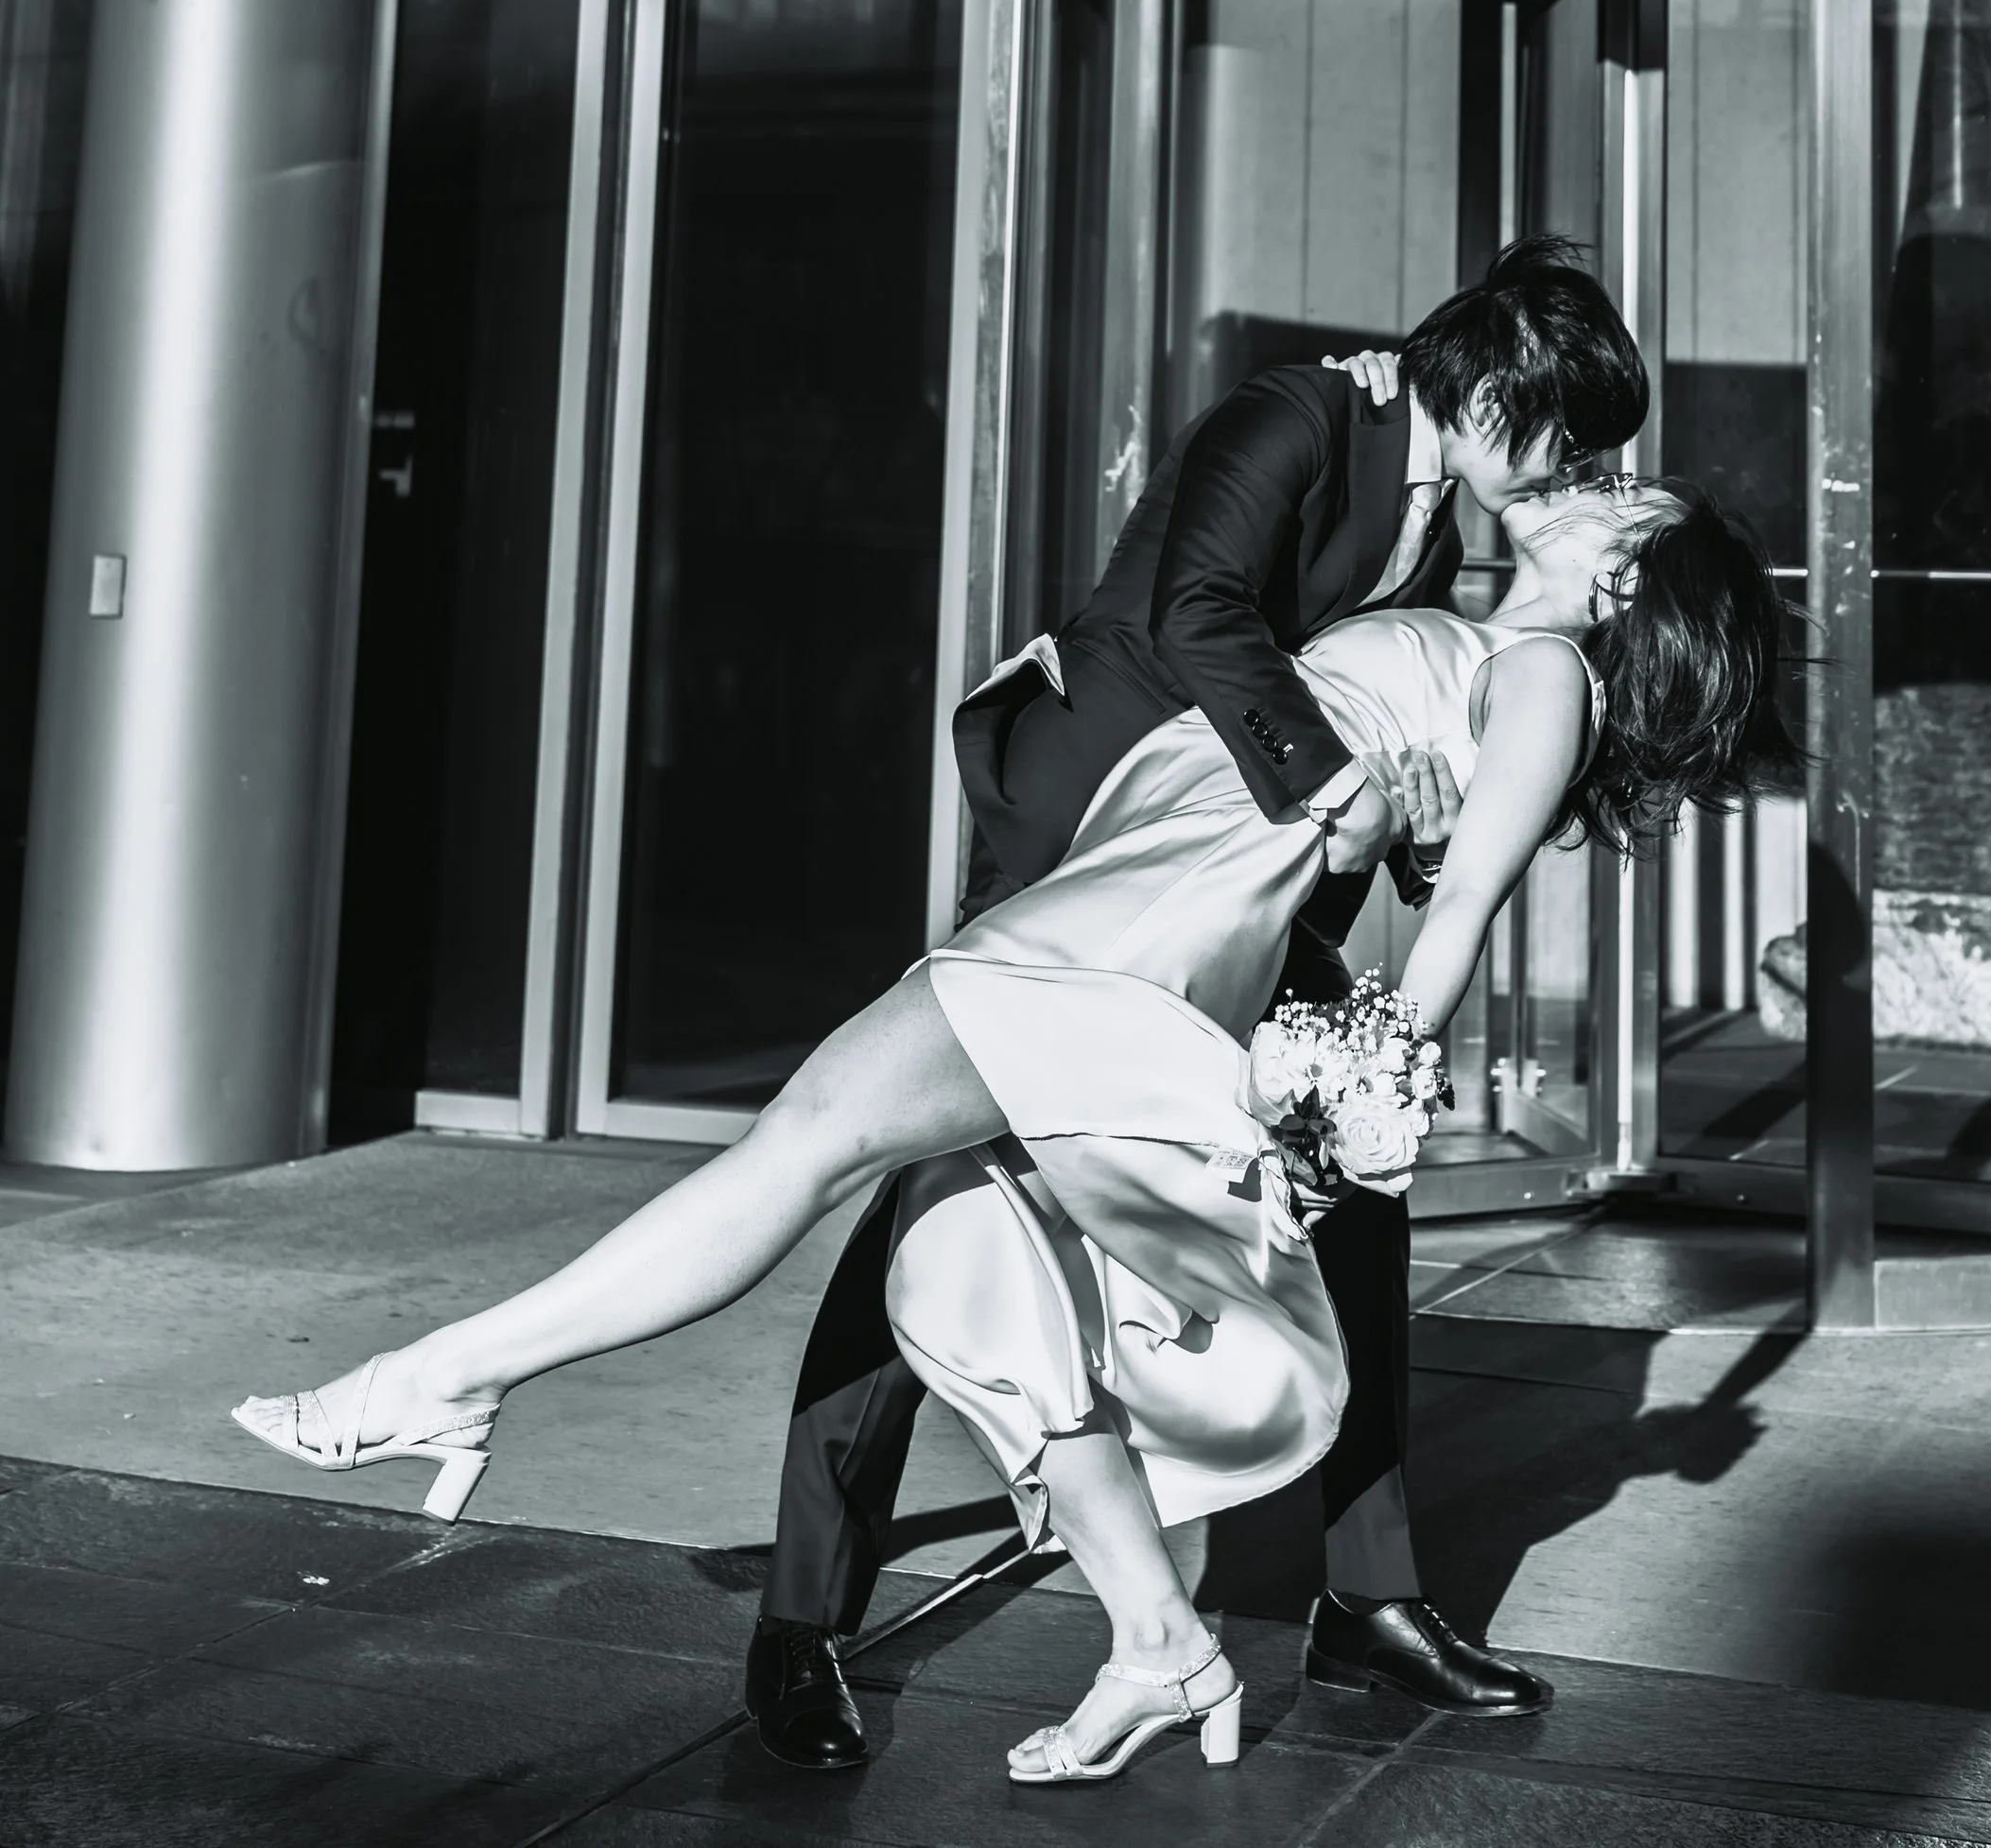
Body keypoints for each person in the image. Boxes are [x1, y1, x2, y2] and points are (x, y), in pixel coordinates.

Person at [235, 469, 1784, 1785]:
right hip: (1142, 888)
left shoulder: (1549, 670)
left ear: (1630, 566)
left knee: (813, 1134)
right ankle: (1160, 1638)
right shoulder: (1485, 631)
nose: (1588, 478)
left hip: (1152, 920)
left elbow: (1458, 917)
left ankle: (450, 1375)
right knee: (970, 1279)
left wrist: (1363, 1085)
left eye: (1619, 490)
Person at [748, 233, 1649, 1765]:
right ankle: (799, 1615)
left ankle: (1370, 1593)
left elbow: (1385, 709)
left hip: (1250, 878)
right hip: (1097, 834)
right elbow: (1199, 613)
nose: (1572, 472)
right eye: (1569, 435)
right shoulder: (1297, 411)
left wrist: (1422, 817)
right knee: (938, 1178)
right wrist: (1350, 782)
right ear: (1503, 383)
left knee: (1355, 1169)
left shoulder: (1436, 531)